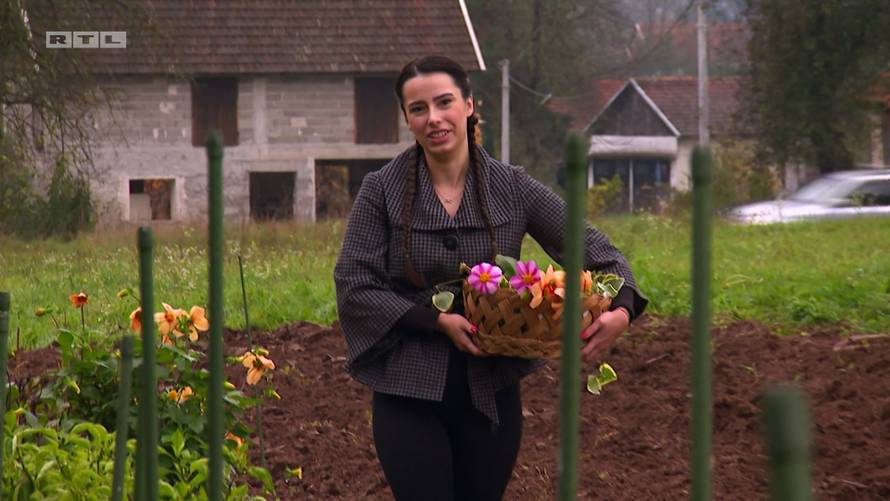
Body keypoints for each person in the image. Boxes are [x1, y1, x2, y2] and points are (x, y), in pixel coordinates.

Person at [334, 55, 647, 501]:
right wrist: (435, 320)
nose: (434, 118)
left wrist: (622, 309)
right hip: (407, 391)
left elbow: (599, 253)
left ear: (468, 105)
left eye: (444, 102)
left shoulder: (511, 187)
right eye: (418, 109)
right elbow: (353, 284)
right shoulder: (381, 191)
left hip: (490, 392)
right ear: (408, 119)